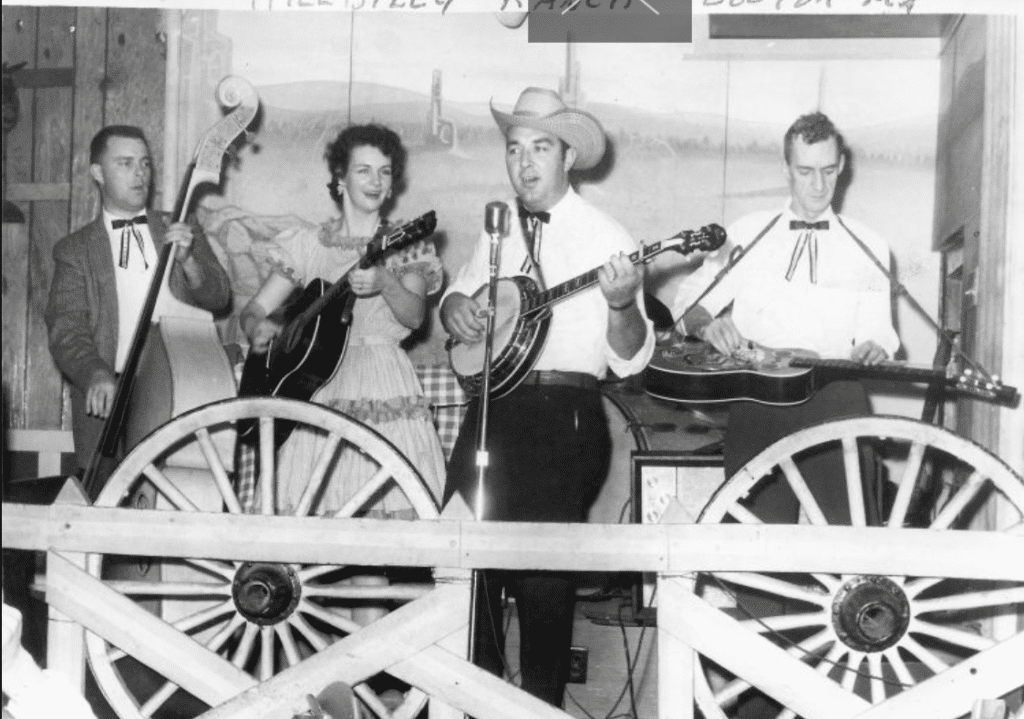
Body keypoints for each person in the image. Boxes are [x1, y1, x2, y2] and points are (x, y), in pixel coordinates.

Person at [441, 87, 655, 706]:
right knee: (466, 573)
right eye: (515, 148)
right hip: (490, 415)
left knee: (542, 588)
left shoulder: (607, 236)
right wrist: (456, 311)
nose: (525, 162)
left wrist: (620, 305)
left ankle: (540, 707)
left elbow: (631, 355)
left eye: (540, 148)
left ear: (567, 157)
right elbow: (461, 299)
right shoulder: (496, 227)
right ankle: (469, 704)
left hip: (563, 420)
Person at [672, 112, 900, 526]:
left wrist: (875, 346)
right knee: (754, 541)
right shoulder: (746, 233)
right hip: (759, 399)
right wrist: (706, 324)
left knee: (849, 536)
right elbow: (686, 303)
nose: (818, 185)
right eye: (805, 171)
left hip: (836, 395)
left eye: (829, 171)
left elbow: (879, 329)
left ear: (842, 167)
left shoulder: (869, 245)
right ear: (786, 169)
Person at [238, 124, 445, 515]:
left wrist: (385, 281)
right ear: (339, 178)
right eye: (363, 170)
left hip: (381, 384)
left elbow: (415, 316)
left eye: (384, 171)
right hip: (314, 388)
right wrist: (257, 329)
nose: (376, 180)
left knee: (377, 545)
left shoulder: (407, 244)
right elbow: (253, 311)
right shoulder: (307, 244)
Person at [45, 125, 232, 474]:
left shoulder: (180, 226)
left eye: (145, 164)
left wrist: (189, 260)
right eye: (126, 164)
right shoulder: (74, 250)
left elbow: (220, 297)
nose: (140, 174)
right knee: (105, 497)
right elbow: (66, 330)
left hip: (177, 387)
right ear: (98, 173)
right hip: (108, 394)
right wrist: (95, 372)